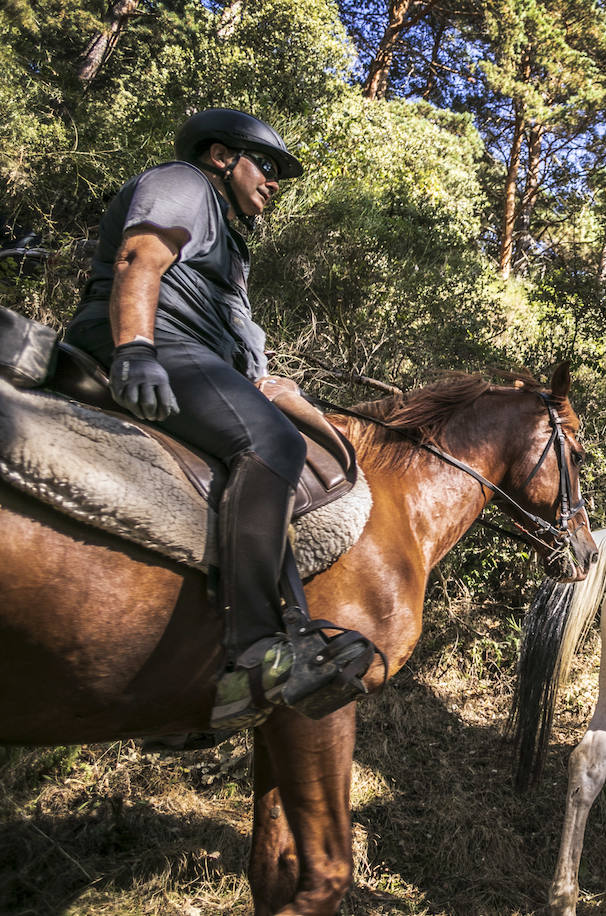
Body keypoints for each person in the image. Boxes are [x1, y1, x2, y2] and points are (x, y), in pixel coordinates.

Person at [63, 109, 377, 730]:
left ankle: (204, 682)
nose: (275, 182)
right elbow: (139, 258)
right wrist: (135, 348)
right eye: (266, 166)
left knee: (275, 458)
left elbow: (235, 338)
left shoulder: (232, 248)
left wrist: (268, 381)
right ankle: (256, 653)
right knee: (272, 448)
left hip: (195, 355)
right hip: (155, 343)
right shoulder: (184, 184)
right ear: (220, 157)